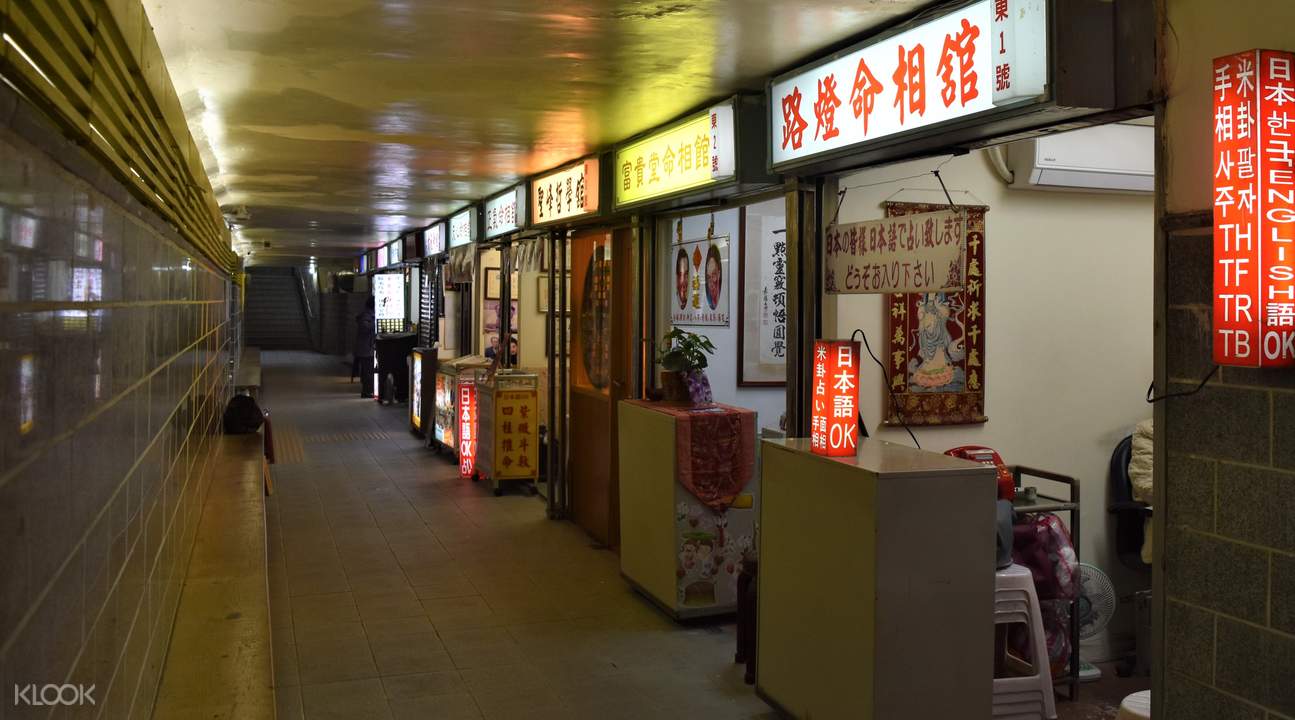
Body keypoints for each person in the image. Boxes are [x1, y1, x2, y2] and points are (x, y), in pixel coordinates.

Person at [355, 297, 376, 397]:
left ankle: (367, 391)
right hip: (366, 348)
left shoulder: (366, 314)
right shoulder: (366, 315)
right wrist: (376, 323)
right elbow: (366, 327)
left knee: (367, 371)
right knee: (368, 371)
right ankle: (367, 392)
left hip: (365, 348)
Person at [704, 244, 723, 311]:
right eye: (708, 277)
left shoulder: (723, 299)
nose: (711, 284)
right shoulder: (707, 301)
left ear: (719, 274)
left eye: (714, 275)